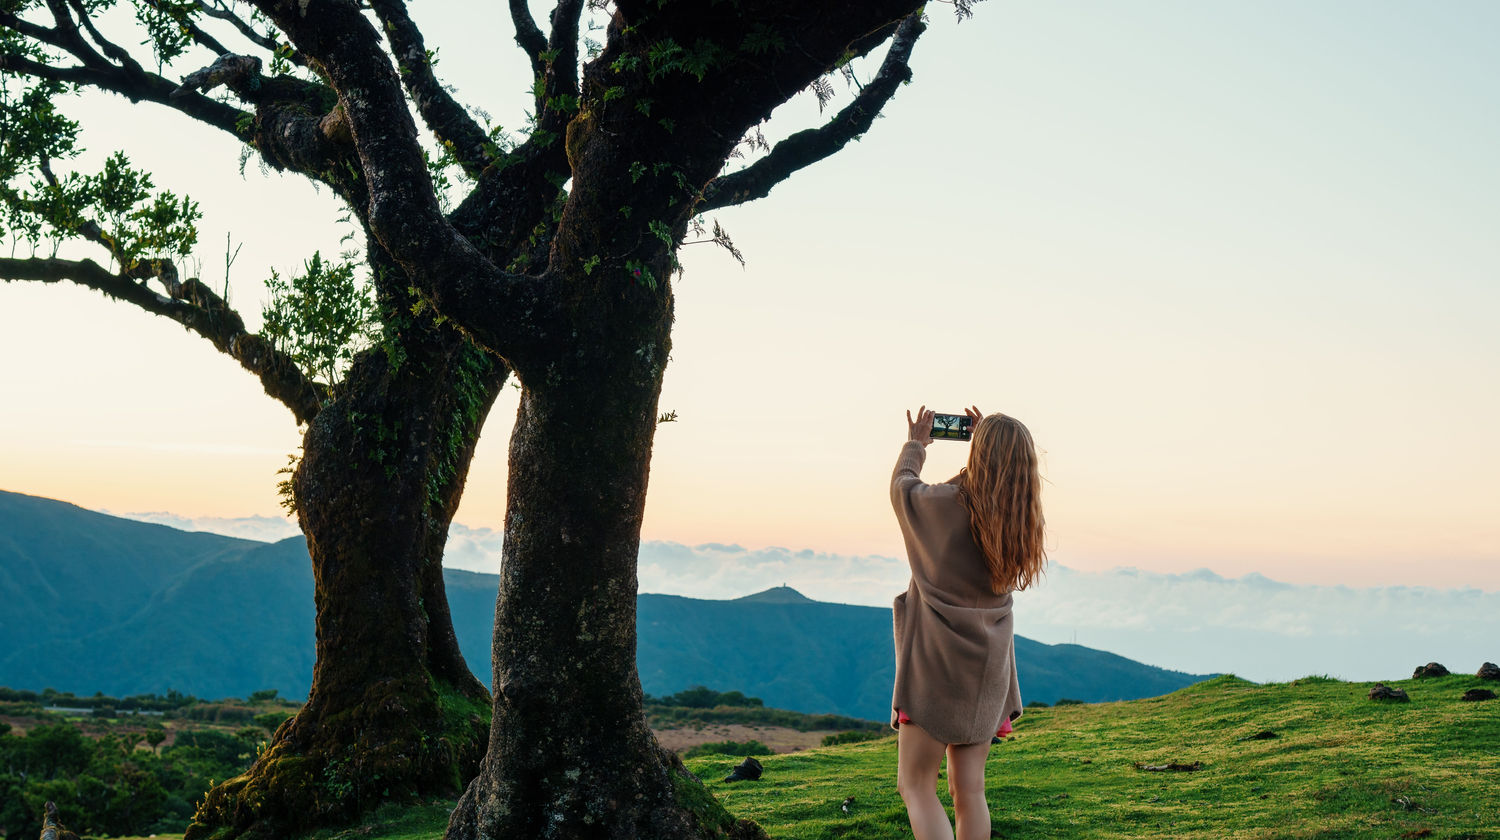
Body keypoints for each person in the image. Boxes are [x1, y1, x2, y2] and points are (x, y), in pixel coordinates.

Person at [890, 405, 1047, 840]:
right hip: (988, 668)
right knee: (969, 792)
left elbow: (904, 489)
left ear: (979, 457)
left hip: (937, 666)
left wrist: (916, 445)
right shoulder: (1018, 523)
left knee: (916, 785)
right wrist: (987, 458)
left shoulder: (944, 507)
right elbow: (986, 495)